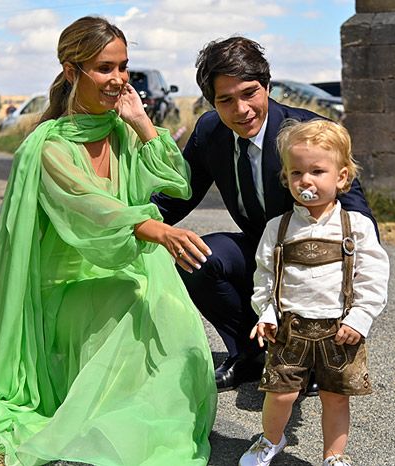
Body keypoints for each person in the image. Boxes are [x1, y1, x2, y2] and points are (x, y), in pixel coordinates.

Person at [0, 16, 216, 466]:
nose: (119, 79)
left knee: (162, 301)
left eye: (124, 67)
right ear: (72, 72)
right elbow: (92, 210)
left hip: (119, 268)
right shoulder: (47, 147)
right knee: (130, 295)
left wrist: (144, 124)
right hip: (61, 292)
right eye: (105, 68)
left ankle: (140, 409)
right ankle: (115, 416)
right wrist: (155, 229)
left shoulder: (122, 131)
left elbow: (177, 181)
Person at [152, 37, 378, 393]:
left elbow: (356, 213)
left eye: (249, 93)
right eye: (226, 100)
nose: (241, 109)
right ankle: (249, 354)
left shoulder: (307, 135)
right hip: (263, 250)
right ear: (212, 103)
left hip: (316, 262)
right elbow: (179, 195)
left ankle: (314, 357)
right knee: (195, 257)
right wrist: (133, 224)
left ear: (267, 86)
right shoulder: (210, 132)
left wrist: (357, 298)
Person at [238, 119, 389, 466]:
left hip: (340, 330)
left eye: (317, 171)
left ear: (341, 177)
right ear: (285, 178)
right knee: (281, 393)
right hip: (290, 328)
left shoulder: (356, 226)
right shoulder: (279, 228)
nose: (305, 181)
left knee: (335, 397)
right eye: (295, 173)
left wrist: (361, 317)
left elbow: (373, 276)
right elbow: (265, 276)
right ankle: (270, 440)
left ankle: (334, 456)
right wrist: (266, 312)